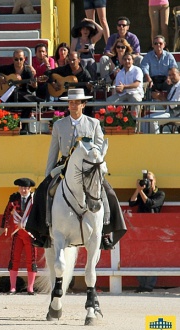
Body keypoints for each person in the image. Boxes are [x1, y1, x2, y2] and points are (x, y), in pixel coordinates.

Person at [26, 88, 126, 250]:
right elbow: (53, 151)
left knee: (108, 192)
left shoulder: (93, 124)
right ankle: (43, 232)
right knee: (42, 190)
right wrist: (47, 176)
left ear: (83, 105)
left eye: (76, 103)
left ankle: (106, 232)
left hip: (88, 167)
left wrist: (95, 168)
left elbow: (99, 149)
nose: (73, 105)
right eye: (71, 102)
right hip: (64, 165)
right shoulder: (59, 125)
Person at [0, 178, 37, 295]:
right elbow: (7, 212)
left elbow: (38, 215)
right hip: (17, 233)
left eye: (25, 188)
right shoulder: (14, 198)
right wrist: (3, 226)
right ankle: (13, 287)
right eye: (21, 188)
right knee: (14, 259)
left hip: (30, 234)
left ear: (30, 189)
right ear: (18, 188)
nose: (23, 190)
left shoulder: (35, 199)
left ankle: (30, 288)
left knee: (31, 260)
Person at [129, 170, 165, 293]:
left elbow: (151, 204)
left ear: (154, 181)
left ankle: (148, 286)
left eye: (150, 180)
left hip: (153, 230)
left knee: (151, 257)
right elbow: (131, 202)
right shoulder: (141, 193)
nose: (148, 182)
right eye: (146, 180)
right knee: (140, 256)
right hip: (140, 230)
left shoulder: (160, 194)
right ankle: (142, 284)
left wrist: (141, 192)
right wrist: (138, 190)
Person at [0, 49, 38, 126]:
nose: (18, 61)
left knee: (29, 103)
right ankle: (4, 126)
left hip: (23, 96)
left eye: (21, 59)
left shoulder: (27, 71)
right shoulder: (8, 68)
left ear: (24, 59)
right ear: (13, 59)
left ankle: (22, 126)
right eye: (16, 59)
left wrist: (34, 86)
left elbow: (32, 89)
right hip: (9, 95)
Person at [144, 67, 180, 134]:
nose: (171, 77)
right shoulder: (173, 87)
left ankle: (157, 141)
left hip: (176, 114)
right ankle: (148, 141)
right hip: (170, 112)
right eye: (169, 75)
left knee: (152, 120)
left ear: (179, 74)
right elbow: (167, 106)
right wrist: (159, 97)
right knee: (146, 118)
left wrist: (160, 97)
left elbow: (172, 105)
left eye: (173, 74)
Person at [107, 53, 143, 118]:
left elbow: (136, 84)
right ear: (122, 61)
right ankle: (111, 123)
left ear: (133, 61)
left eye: (129, 59)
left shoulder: (137, 70)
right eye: (125, 59)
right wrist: (118, 89)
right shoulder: (119, 73)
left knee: (136, 100)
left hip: (135, 93)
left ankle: (135, 124)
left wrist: (124, 87)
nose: (127, 61)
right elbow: (118, 88)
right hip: (122, 94)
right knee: (109, 101)